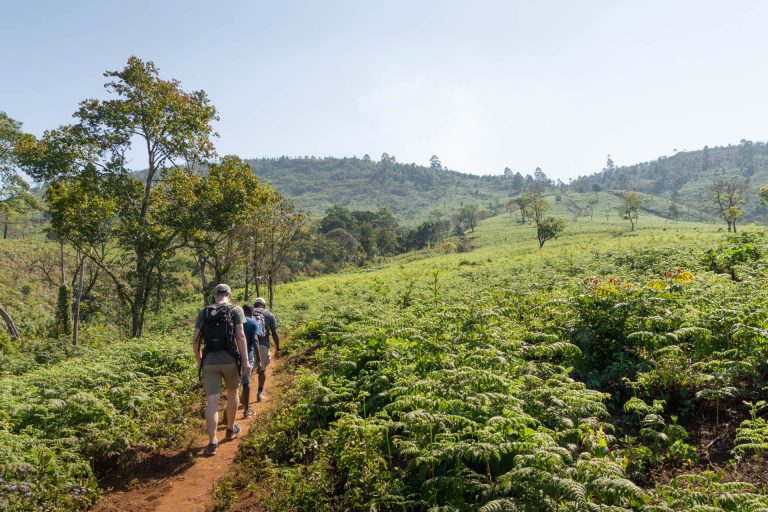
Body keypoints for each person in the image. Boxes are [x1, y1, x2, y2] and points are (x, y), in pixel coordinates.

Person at [193, 284, 251, 456]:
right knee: (233, 392)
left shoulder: (204, 312)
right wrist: (246, 361)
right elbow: (240, 336)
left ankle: (212, 443)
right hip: (230, 360)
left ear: (214, 295)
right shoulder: (236, 310)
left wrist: (199, 360)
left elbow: (195, 340)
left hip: (209, 361)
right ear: (229, 295)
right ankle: (231, 428)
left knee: (212, 402)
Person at [253, 297, 280, 402]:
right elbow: (274, 333)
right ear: (263, 305)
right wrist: (277, 348)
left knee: (248, 370)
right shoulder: (269, 314)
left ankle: (243, 392)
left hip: (249, 346)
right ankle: (259, 394)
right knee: (263, 370)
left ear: (255, 305)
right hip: (263, 345)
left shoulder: (247, 313)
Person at [240, 304, 262, 418]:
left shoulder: (236, 321)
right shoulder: (253, 323)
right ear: (252, 312)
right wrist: (259, 360)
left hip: (234, 356)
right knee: (246, 382)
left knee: (232, 386)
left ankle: (227, 414)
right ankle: (246, 410)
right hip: (247, 356)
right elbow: (255, 340)